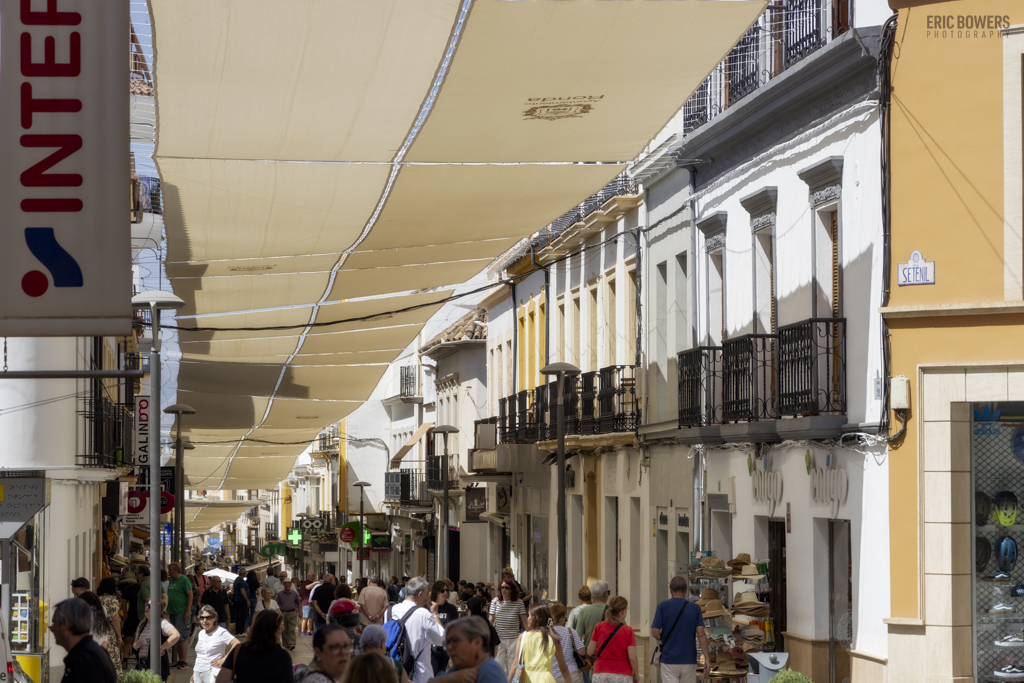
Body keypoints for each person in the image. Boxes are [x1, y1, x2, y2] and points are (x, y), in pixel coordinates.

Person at [383, 576, 446, 683]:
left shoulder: (389, 611)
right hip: (419, 675)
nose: (427, 597)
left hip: (395, 673)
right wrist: (435, 614)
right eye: (426, 593)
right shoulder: (423, 614)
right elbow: (442, 638)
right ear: (420, 594)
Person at [650, 577, 710, 683]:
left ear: (670, 590)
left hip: (669, 660)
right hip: (689, 660)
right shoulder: (695, 608)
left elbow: (654, 632)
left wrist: (664, 637)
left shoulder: (662, 606)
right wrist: (707, 658)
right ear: (686, 590)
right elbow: (701, 635)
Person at [50, 598, 117, 683]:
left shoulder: (86, 659)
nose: (52, 628)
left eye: (54, 623)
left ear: (65, 624)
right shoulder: (86, 653)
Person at [216, 610, 292, 683]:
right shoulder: (282, 656)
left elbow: (221, 680)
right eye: (281, 626)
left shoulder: (239, 650)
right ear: (275, 630)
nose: (283, 629)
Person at [510, 605, 568, 683]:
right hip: (546, 679)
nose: (527, 618)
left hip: (528, 678)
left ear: (536, 618)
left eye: (529, 615)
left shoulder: (523, 637)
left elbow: (516, 664)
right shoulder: (553, 638)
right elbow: (563, 668)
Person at [586, 597, 637, 683]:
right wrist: (636, 673)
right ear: (622, 611)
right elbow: (632, 656)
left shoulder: (599, 626)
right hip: (623, 674)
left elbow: (590, 651)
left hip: (600, 673)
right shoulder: (628, 631)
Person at [445, 617, 506, 683]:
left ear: (477, 642)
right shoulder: (458, 669)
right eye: (447, 642)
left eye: (455, 641)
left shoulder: (489, 673)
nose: (449, 647)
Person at [134, 597, 180, 681]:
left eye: (150, 606)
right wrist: (137, 645)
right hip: (142, 667)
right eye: (146, 605)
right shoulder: (142, 624)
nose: (147, 607)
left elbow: (176, 635)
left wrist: (162, 647)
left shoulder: (162, 622)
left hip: (156, 667)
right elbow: (134, 644)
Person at [193, 604, 239, 683]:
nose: (204, 620)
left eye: (208, 618)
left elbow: (237, 643)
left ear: (214, 618)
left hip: (211, 672)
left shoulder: (221, 632)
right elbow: (200, 655)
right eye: (202, 617)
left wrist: (225, 659)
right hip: (197, 671)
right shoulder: (201, 633)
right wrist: (194, 674)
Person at [489, 579, 527, 673]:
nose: (504, 590)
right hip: (499, 640)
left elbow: (525, 622)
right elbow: (490, 621)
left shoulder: (519, 603)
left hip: (514, 639)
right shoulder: (495, 601)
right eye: (502, 587)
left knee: (513, 668)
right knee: (498, 667)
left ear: (512, 590)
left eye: (507, 588)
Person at [549, 603, 587, 683]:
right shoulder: (570, 632)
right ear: (562, 618)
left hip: (552, 675)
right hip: (571, 673)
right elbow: (582, 651)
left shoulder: (546, 633)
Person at [95, 581, 126, 680]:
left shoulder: (96, 599)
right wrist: (120, 636)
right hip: (109, 633)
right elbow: (116, 620)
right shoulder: (112, 600)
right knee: (112, 660)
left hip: (97, 631)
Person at [166, 562, 193, 669]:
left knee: (182, 637)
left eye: (170, 570)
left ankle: (183, 661)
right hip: (172, 612)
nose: (169, 572)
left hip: (181, 612)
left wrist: (187, 611)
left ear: (176, 570)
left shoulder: (184, 580)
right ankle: (179, 659)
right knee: (176, 637)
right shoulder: (171, 580)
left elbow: (190, 595)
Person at [430, 580, 459, 674]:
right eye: (442, 591)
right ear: (436, 592)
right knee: (433, 672)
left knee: (441, 673)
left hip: (444, 647)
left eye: (447, 590)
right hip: (431, 647)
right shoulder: (429, 607)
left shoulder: (451, 609)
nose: (445, 593)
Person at [576, 581, 609, 646]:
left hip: (590, 653)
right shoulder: (613, 611)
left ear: (592, 595)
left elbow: (578, 638)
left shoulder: (583, 612)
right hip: (609, 653)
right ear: (605, 594)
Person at [119, 570, 141, 666]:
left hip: (142, 616)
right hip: (132, 615)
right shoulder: (132, 588)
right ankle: (125, 659)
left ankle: (139, 658)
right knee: (128, 638)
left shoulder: (146, 588)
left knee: (141, 638)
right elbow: (124, 601)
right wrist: (125, 614)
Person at [276, 577, 301, 650]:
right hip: (283, 613)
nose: (287, 585)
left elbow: (298, 603)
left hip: (292, 612)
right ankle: (286, 644)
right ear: (284, 585)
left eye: (288, 584)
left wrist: (300, 612)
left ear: (290, 584)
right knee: (284, 630)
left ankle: (292, 643)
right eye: (285, 584)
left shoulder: (294, 593)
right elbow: (277, 604)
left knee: (291, 629)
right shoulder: (280, 594)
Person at [233, 568, 251, 636]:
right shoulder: (241, 581)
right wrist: (247, 600)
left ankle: (237, 630)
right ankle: (241, 631)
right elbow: (242, 591)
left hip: (237, 600)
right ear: (244, 573)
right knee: (242, 616)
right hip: (241, 600)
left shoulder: (236, 580)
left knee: (238, 616)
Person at [301, 572, 318, 636]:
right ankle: (302, 631)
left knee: (310, 618)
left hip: (311, 603)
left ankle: (308, 631)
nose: (313, 577)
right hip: (306, 603)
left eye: (314, 575)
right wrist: (315, 583)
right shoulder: (306, 582)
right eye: (312, 575)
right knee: (305, 618)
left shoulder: (313, 583)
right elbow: (307, 587)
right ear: (309, 576)